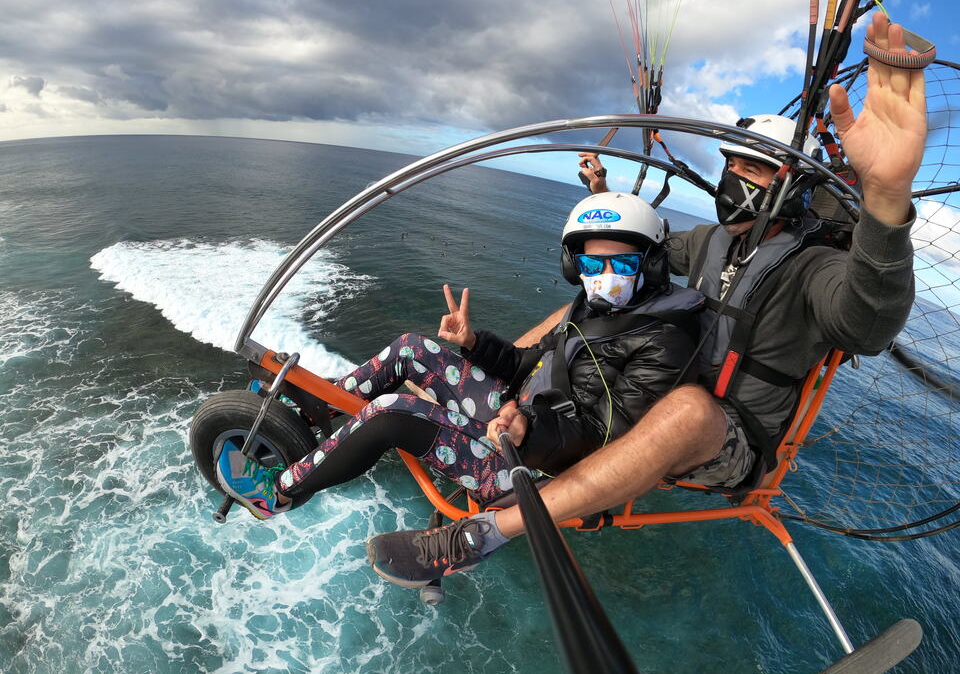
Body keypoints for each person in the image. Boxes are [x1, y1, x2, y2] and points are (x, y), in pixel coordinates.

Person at [365, 12, 924, 588]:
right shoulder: (713, 240)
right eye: (732, 163)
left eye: (752, 167)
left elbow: (867, 324)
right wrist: (602, 195)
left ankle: (483, 534)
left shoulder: (817, 270)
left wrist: (885, 199)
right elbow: (640, 245)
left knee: (686, 411)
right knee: (586, 309)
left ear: (791, 185)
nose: (734, 175)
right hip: (658, 384)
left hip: (723, 434)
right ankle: (504, 397)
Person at [216, 192, 704, 526]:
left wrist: (527, 429)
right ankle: (324, 413)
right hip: (522, 420)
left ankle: (277, 494)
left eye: (622, 264)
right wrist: (472, 343)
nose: (605, 275)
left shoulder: (664, 340)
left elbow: (610, 440)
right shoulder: (594, 308)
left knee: (395, 412)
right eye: (593, 264)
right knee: (412, 347)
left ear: (653, 264)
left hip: (538, 468)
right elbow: (525, 364)